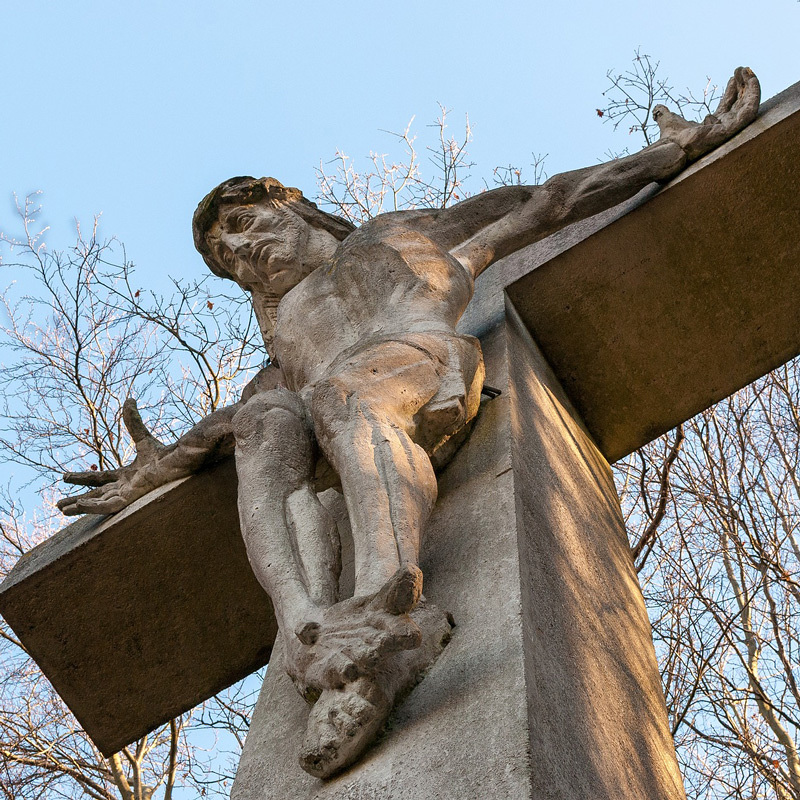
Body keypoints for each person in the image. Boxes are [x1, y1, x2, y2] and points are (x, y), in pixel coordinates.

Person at [58, 67, 760, 778]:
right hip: (337, 415)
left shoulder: (392, 240)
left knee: (337, 394)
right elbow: (219, 431)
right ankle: (309, 629)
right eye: (224, 258)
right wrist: (156, 468)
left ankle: (385, 621)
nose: (240, 254)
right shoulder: (287, 343)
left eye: (242, 226)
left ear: (291, 207)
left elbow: (543, 204)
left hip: (420, 368)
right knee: (263, 419)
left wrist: (675, 151)